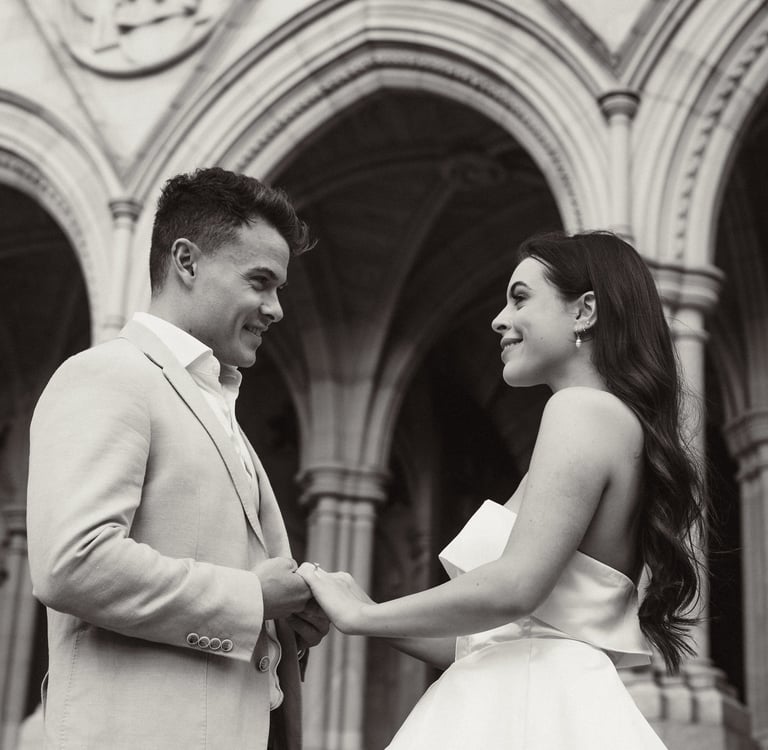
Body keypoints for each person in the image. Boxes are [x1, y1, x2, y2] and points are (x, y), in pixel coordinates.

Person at [297, 231, 706, 749]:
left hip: (527, 707)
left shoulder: (580, 410)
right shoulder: (610, 422)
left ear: (585, 311)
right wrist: (363, 610)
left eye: (520, 297)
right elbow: (492, 641)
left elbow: (516, 587)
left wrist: (365, 616)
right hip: (535, 697)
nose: (498, 318)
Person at [26, 167, 329, 750]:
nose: (276, 308)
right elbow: (71, 563)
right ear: (186, 262)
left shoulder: (217, 404)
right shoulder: (108, 375)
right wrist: (251, 597)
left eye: (280, 289)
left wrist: (282, 626)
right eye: (260, 282)